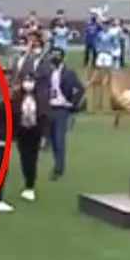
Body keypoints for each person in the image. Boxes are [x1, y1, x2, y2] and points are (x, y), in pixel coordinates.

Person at [46, 49, 86, 180]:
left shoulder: (68, 73)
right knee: (51, 139)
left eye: (56, 56)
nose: (54, 59)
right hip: (50, 107)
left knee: (59, 139)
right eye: (52, 56)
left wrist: (73, 103)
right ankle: (57, 164)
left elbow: (80, 88)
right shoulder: (49, 72)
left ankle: (58, 168)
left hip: (62, 109)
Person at [12, 74, 49, 200]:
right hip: (21, 132)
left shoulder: (39, 98)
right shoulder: (17, 97)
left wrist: (44, 135)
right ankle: (27, 181)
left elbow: (44, 117)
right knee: (24, 158)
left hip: (35, 132)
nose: (28, 83)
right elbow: (12, 115)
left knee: (32, 159)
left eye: (30, 81)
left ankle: (30, 185)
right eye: (26, 81)